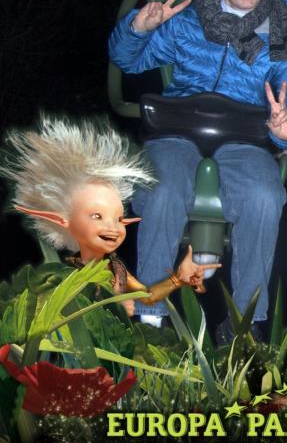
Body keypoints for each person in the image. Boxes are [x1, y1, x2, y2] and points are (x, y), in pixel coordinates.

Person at [108, 0, 287, 335]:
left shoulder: (282, 33)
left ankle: (244, 324)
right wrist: (139, 29)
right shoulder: (188, 21)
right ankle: (151, 317)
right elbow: (128, 61)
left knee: (264, 196)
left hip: (243, 133)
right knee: (162, 189)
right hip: (178, 125)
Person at [0, 115, 219, 315]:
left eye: (119, 219)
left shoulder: (116, 268)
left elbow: (147, 297)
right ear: (63, 220)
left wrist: (177, 279)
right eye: (97, 216)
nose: (113, 228)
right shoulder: (60, 275)